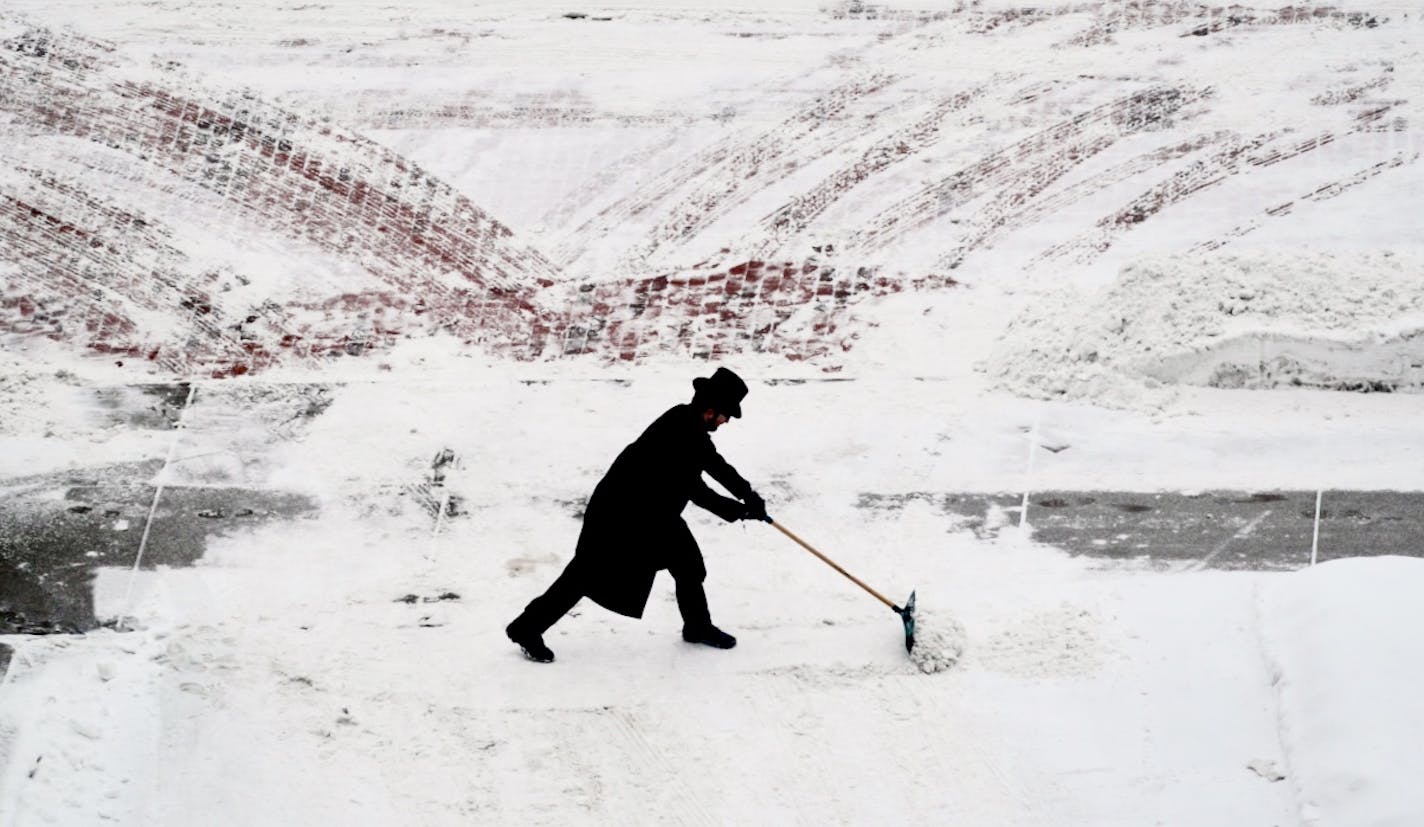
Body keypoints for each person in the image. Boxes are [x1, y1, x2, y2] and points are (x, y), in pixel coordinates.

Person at [505, 367, 770, 663]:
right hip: (619, 515)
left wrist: (749, 497)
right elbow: (696, 489)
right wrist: (740, 510)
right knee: (583, 576)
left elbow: (715, 465)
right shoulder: (679, 430)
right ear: (711, 411)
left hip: (655, 513)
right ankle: (526, 628)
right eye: (726, 416)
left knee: (689, 566)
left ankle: (697, 626)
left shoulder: (688, 423)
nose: (726, 422)